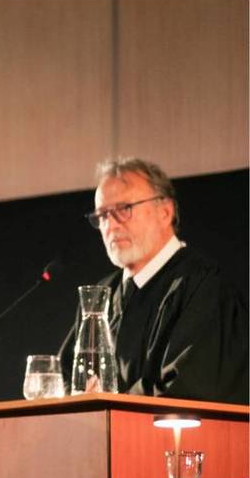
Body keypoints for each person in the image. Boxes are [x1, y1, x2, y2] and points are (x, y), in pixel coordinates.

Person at [60, 157, 248, 404]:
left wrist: (109, 406)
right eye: (103, 215)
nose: (111, 225)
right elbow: (65, 378)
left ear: (165, 212)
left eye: (124, 209)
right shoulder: (102, 296)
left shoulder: (203, 285)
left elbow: (188, 387)